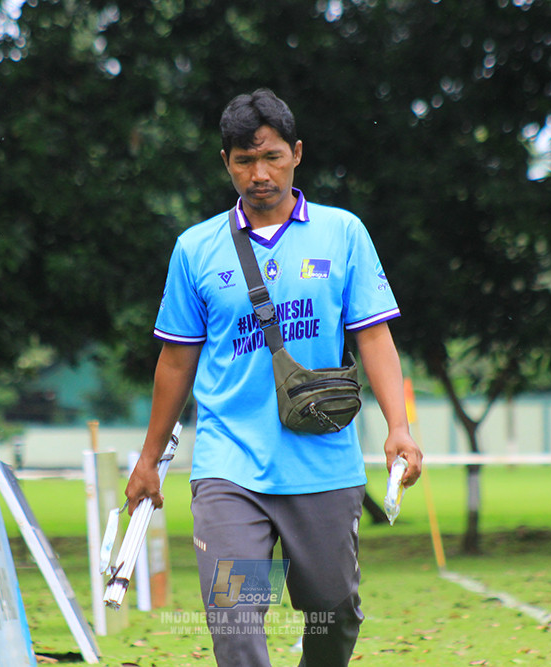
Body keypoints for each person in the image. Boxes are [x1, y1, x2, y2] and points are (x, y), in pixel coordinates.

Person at [125, 88, 423, 667]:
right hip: (229, 468)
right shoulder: (195, 249)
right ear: (226, 163)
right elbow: (176, 360)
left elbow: (374, 337)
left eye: (272, 157)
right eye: (244, 160)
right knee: (235, 621)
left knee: (333, 616)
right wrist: (148, 457)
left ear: (297, 154)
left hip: (324, 463)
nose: (259, 174)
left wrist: (399, 428)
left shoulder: (343, 233)